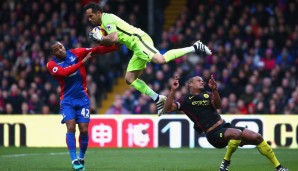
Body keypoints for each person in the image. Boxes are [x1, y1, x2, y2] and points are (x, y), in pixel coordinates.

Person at [84, 2, 212, 115]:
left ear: (99, 13)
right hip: (135, 48)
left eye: (91, 16)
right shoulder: (103, 26)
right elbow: (114, 43)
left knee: (160, 59)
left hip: (139, 40)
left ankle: (195, 47)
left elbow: (114, 38)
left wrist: (100, 38)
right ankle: (157, 98)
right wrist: (100, 41)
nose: (89, 19)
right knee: (129, 79)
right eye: (88, 17)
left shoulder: (107, 18)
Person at [164, 75, 288, 171]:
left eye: (202, 80)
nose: (202, 81)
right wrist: (173, 91)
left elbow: (218, 106)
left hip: (225, 126)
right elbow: (167, 109)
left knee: (257, 137)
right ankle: (225, 163)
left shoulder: (208, 95)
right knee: (237, 134)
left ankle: (279, 167)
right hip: (212, 133)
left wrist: (215, 90)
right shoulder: (185, 100)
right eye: (198, 80)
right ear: (190, 84)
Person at [47, 41, 118, 171]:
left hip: (83, 99)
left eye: (61, 46)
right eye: (57, 49)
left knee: (84, 130)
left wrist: (114, 47)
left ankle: (81, 157)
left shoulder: (76, 53)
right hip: (67, 100)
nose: (61, 49)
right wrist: (82, 62)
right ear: (53, 53)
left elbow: (96, 50)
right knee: (71, 127)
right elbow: (63, 73)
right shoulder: (52, 64)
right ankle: (74, 160)